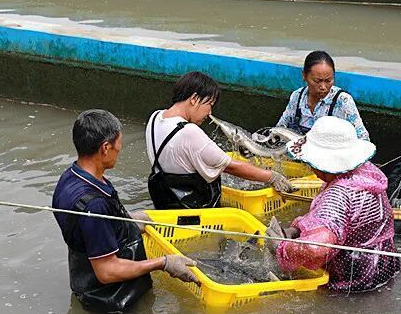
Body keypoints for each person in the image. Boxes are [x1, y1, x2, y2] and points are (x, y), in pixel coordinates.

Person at [52, 109, 198, 313]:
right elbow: (107, 271)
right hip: (111, 298)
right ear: (105, 148)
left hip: (84, 283)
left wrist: (126, 221)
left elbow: (89, 232)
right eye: (117, 149)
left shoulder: (69, 177)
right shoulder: (94, 205)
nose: (118, 154)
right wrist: (163, 263)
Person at [266, 116, 399, 292]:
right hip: (383, 266)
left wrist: (283, 248)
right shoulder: (365, 174)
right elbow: (341, 219)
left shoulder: (338, 194)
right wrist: (297, 230)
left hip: (352, 275)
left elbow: (316, 246)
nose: (309, 166)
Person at [146, 71, 293, 210]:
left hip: (165, 205)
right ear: (194, 99)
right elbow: (230, 166)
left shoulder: (155, 117)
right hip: (195, 213)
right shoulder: (189, 131)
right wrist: (272, 177)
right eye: (209, 105)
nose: (210, 112)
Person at [276, 51, 370, 141]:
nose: (323, 87)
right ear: (304, 75)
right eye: (317, 81)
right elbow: (279, 130)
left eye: (328, 81)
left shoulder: (343, 101)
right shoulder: (297, 97)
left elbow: (363, 138)